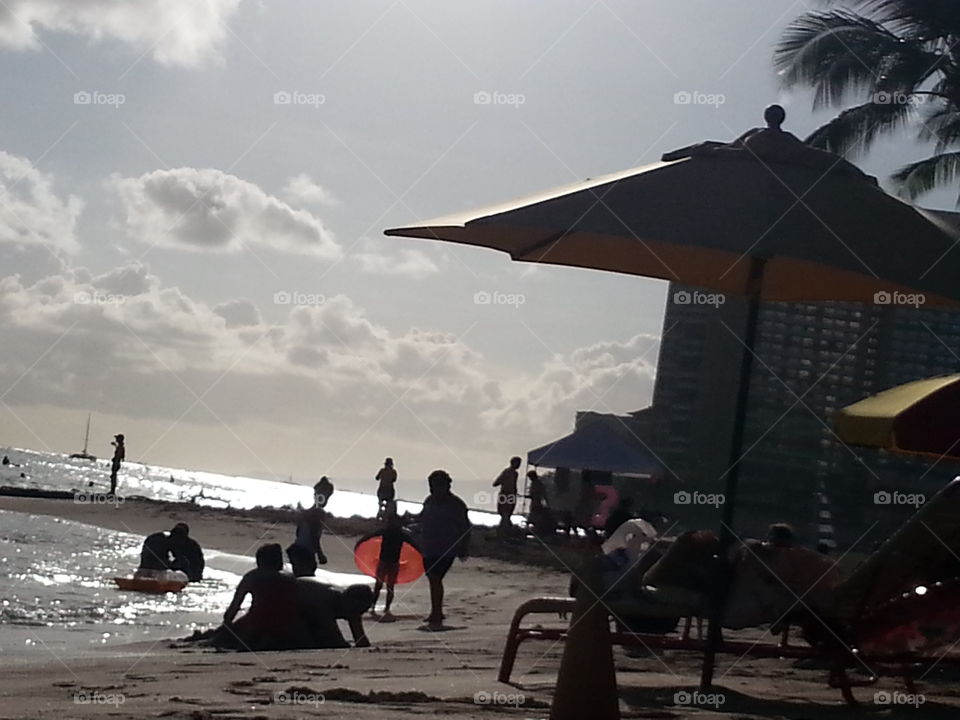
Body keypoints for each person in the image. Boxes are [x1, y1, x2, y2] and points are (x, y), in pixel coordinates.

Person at [219, 544, 305, 651]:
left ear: (260, 561)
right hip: (288, 626)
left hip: (258, 624)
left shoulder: (252, 576)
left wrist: (227, 624)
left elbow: (234, 608)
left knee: (232, 631)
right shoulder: (291, 578)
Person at [420, 469, 470, 627]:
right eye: (431, 486)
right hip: (428, 545)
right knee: (432, 579)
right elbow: (422, 518)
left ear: (446, 486)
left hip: (447, 547)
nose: (433, 489)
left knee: (435, 577)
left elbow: (465, 527)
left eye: (436, 486)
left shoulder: (456, 504)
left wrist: (464, 547)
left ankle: (436, 612)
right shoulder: (429, 501)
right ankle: (436, 611)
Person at [357, 501, 420, 622]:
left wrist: (360, 542)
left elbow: (369, 536)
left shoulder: (394, 532)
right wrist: (360, 543)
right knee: (382, 586)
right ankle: (378, 607)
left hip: (390, 562)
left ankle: (381, 607)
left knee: (384, 586)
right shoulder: (397, 533)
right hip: (386, 561)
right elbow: (370, 536)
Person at [296, 580, 374, 648]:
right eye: (360, 611)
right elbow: (336, 641)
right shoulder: (325, 604)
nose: (358, 616)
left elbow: (361, 642)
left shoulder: (334, 596)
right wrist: (355, 624)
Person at [287, 504, 327, 577]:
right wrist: (320, 555)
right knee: (307, 577)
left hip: (296, 549)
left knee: (299, 576)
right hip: (305, 552)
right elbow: (314, 538)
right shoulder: (318, 514)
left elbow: (298, 533)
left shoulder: (305, 515)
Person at [493, 456, 521, 536]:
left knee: (505, 514)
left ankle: (504, 530)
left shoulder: (512, 473)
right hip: (507, 494)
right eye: (518, 463)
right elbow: (496, 483)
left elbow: (497, 483)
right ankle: (504, 530)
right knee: (505, 513)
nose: (519, 465)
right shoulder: (509, 472)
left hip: (508, 494)